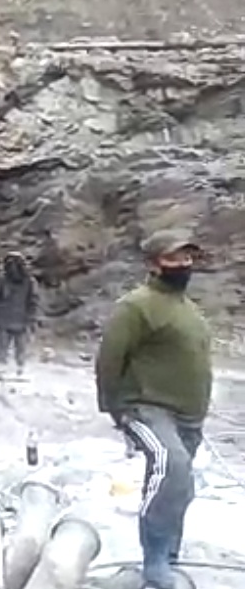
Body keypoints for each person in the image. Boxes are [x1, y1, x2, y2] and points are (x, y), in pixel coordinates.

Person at [95, 231, 212, 589]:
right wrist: (117, 410)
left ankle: (170, 553)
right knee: (172, 466)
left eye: (187, 258)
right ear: (153, 264)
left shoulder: (189, 310)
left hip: (188, 417)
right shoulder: (137, 305)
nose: (183, 265)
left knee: (178, 485)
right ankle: (155, 559)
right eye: (173, 259)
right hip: (146, 408)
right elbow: (109, 359)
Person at [0, 251, 40, 379]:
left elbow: (33, 301)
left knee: (20, 347)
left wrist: (31, 318)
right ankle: (1, 369)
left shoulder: (29, 281)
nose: (13, 268)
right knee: (3, 346)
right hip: (4, 319)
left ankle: (20, 369)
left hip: (21, 319)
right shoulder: (1, 280)